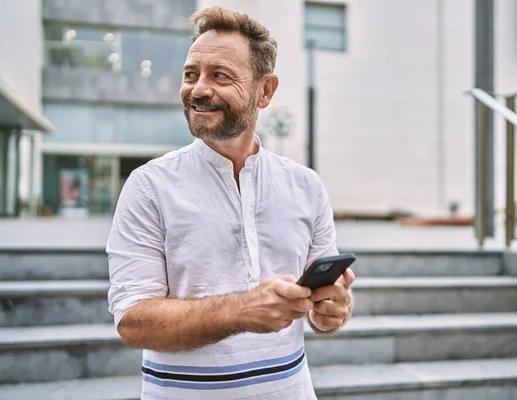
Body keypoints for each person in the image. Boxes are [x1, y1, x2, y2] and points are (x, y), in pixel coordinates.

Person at [106, 6, 355, 400]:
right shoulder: (148, 186)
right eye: (191, 75)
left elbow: (323, 309)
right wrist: (242, 310)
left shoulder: (306, 185)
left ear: (265, 91)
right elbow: (133, 322)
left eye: (219, 75)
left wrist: (331, 311)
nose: (198, 89)